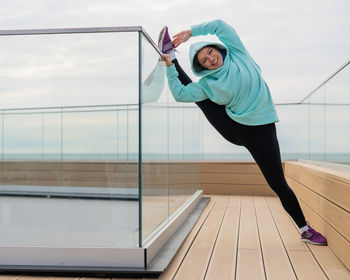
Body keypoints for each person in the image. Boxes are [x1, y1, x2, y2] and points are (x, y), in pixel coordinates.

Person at [158, 20, 327, 245]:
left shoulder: (239, 54)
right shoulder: (208, 82)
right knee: (202, 100)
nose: (210, 59)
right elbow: (180, 93)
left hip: (263, 130)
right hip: (235, 128)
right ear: (203, 68)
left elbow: (220, 26)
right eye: (204, 61)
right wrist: (169, 68)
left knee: (277, 183)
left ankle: (304, 229)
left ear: (218, 49)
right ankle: (172, 56)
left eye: (210, 52)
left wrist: (191, 33)